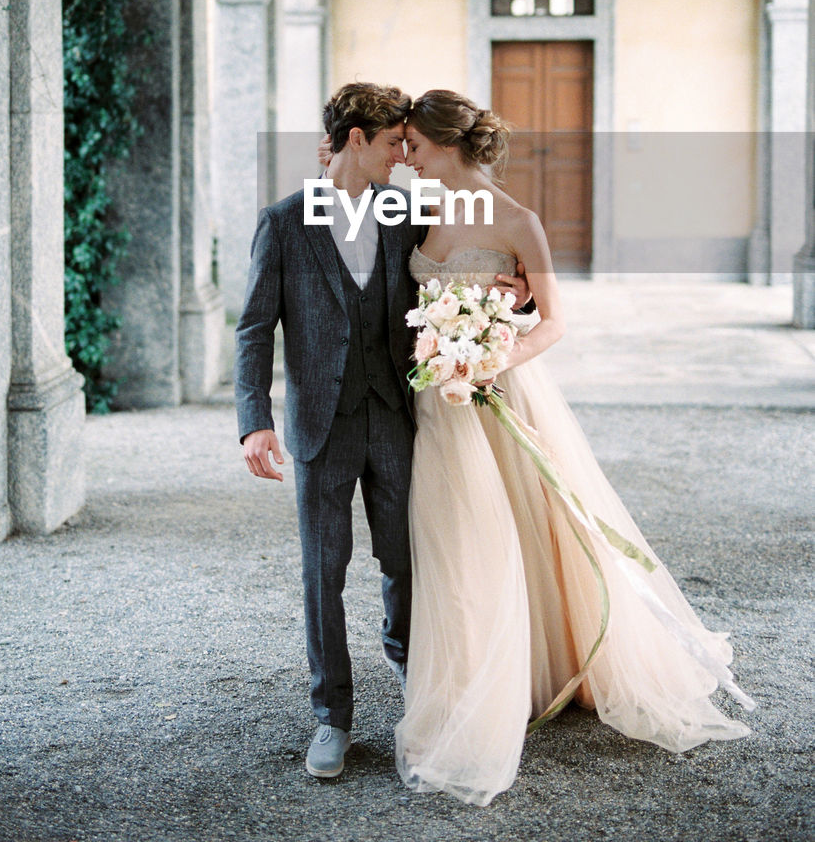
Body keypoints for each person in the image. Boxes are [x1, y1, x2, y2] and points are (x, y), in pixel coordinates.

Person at [394, 89, 753, 807]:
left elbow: (553, 322)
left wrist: (487, 359)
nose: (405, 156)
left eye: (413, 144)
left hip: (493, 391)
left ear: (446, 143)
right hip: (433, 401)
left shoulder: (519, 221)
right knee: (450, 537)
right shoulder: (417, 210)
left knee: (507, 529)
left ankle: (516, 679)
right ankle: (481, 672)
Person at [234, 80, 530, 779]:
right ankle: (330, 717)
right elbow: (253, 328)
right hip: (319, 429)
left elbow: (469, 256)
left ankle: (413, 689)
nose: (405, 153)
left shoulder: (409, 212)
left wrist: (508, 296)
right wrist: (254, 421)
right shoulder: (281, 222)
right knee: (322, 574)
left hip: (400, 420)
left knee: (406, 564)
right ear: (355, 141)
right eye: (394, 141)